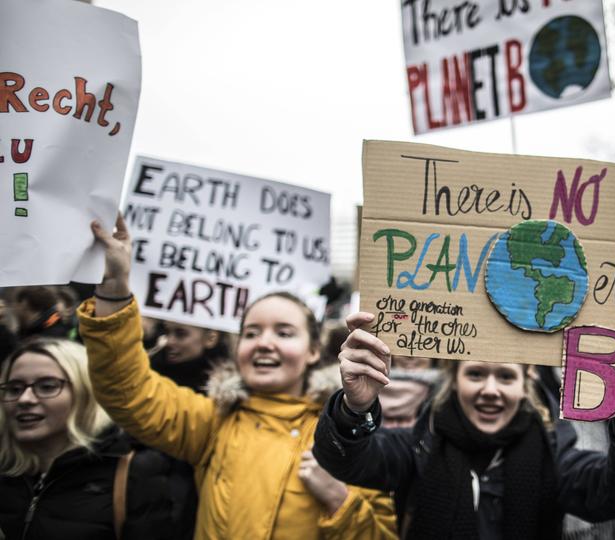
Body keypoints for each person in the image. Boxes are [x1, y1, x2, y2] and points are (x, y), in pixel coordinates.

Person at [78, 215, 397, 539]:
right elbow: (127, 391)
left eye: (284, 333)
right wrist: (114, 288)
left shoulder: (347, 439)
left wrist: (340, 501)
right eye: (251, 333)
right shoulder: (212, 421)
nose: (264, 343)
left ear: (313, 351)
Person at [313, 299, 615, 539]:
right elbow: (345, 460)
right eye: (477, 374)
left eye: (506, 377)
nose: (491, 390)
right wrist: (354, 409)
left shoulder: (554, 449)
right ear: (453, 380)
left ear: (526, 383)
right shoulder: (420, 444)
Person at [0, 339, 180, 539]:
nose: (25, 399)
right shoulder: (6, 470)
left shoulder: (133, 473)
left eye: (47, 386)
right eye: (14, 389)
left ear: (85, 393)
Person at [150, 322, 231, 393]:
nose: (169, 342)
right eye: (166, 332)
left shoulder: (224, 393)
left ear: (211, 338)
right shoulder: (149, 370)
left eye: (180, 334)